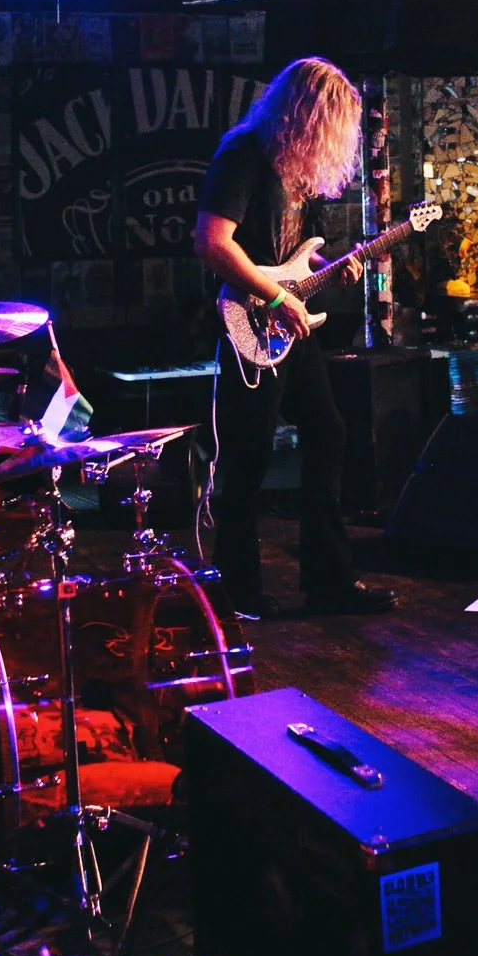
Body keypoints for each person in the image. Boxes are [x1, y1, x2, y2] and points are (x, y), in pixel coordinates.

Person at [192, 57, 394, 618]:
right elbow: (212, 243)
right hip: (249, 326)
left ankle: (328, 578)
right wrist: (277, 296)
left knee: (329, 434)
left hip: (291, 325)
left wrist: (327, 266)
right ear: (310, 113)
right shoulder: (244, 154)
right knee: (247, 455)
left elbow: (287, 255)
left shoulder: (294, 169)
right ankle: (234, 589)